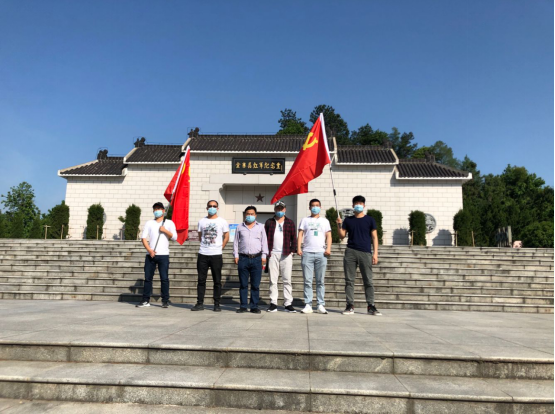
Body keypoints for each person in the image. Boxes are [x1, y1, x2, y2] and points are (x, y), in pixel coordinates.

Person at [336, 195, 381, 316]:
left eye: (360, 204)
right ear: (353, 205)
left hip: (365, 252)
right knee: (349, 280)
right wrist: (339, 225)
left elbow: (375, 237)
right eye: (356, 203)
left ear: (364, 205)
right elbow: (341, 236)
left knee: (368, 280)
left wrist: (375, 253)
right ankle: (349, 305)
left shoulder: (370, 220)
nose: (358, 205)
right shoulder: (348, 220)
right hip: (350, 251)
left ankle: (371, 305)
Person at [136, 202, 177, 308]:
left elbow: (174, 237)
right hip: (150, 254)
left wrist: (165, 230)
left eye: (159, 209)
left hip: (164, 255)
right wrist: (149, 250)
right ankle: (145, 300)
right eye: (155, 209)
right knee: (148, 278)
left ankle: (165, 300)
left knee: (164, 278)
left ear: (163, 210)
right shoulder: (149, 223)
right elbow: (143, 238)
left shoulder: (169, 223)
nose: (157, 211)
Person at [192, 200, 230, 312]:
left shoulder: (222, 221)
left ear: (217, 208)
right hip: (203, 254)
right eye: (210, 206)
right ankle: (200, 303)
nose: (212, 208)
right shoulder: (201, 221)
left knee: (217, 280)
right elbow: (200, 236)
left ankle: (217, 304)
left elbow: (226, 236)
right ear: (207, 208)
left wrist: (220, 247)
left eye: (214, 206)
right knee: (201, 280)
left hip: (216, 255)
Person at [297, 199, 332, 314]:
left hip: (321, 253)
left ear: (320, 207)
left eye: (317, 205)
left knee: (320, 281)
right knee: (307, 280)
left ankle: (320, 304)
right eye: (313, 205)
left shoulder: (325, 221)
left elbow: (329, 235)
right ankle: (308, 304)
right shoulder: (305, 220)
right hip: (307, 252)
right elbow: (300, 234)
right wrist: (299, 248)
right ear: (309, 208)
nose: (315, 207)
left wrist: (328, 248)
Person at [233, 206, 268, 313]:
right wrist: (236, 255)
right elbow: (235, 242)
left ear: (255, 215)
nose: (250, 216)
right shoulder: (239, 227)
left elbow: (264, 242)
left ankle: (254, 306)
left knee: (255, 285)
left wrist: (264, 256)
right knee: (243, 284)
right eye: (248, 214)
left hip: (257, 258)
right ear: (245, 215)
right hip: (243, 258)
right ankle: (243, 306)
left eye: (252, 214)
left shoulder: (260, 227)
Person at [264, 200, 298, 313]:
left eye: (281, 208)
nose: (279, 210)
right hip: (273, 253)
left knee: (287, 279)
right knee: (273, 280)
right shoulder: (269, 222)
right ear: (275, 209)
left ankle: (288, 303)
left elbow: (294, 238)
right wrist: (265, 252)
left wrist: (292, 251)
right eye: (277, 208)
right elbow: (264, 238)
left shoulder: (290, 222)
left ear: (285, 209)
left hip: (286, 254)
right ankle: (273, 303)